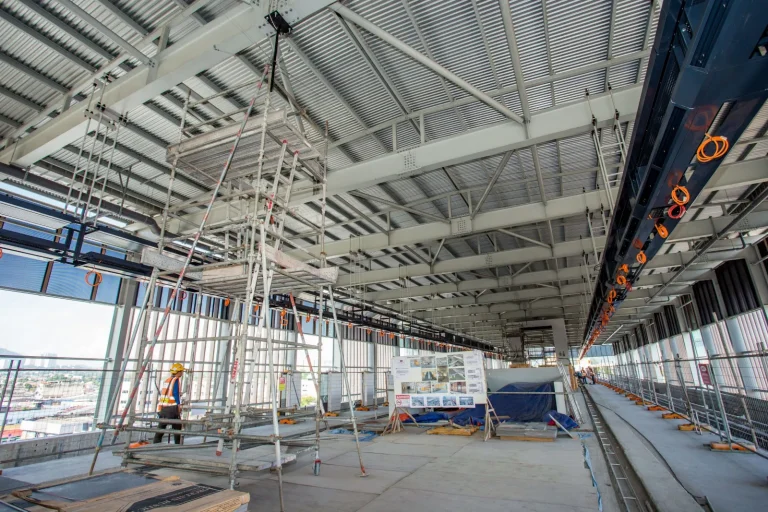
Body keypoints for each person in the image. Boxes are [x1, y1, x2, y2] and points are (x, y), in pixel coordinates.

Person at [153, 363, 185, 444]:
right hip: (172, 408)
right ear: (178, 372)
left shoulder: (167, 380)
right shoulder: (176, 380)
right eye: (181, 371)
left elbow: (167, 393)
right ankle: (178, 445)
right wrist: (178, 405)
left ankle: (155, 444)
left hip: (163, 408)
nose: (182, 373)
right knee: (177, 427)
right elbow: (175, 393)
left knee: (161, 428)